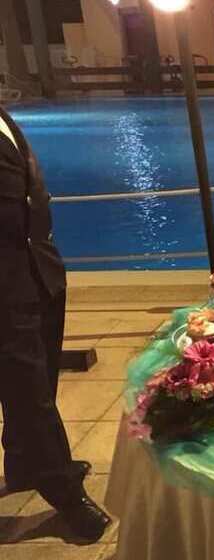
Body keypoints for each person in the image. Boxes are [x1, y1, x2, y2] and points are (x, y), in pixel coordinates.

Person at [0, 105, 111, 541]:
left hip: (37, 269)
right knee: (29, 390)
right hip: (5, 283)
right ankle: (65, 494)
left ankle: (25, 464)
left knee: (39, 378)